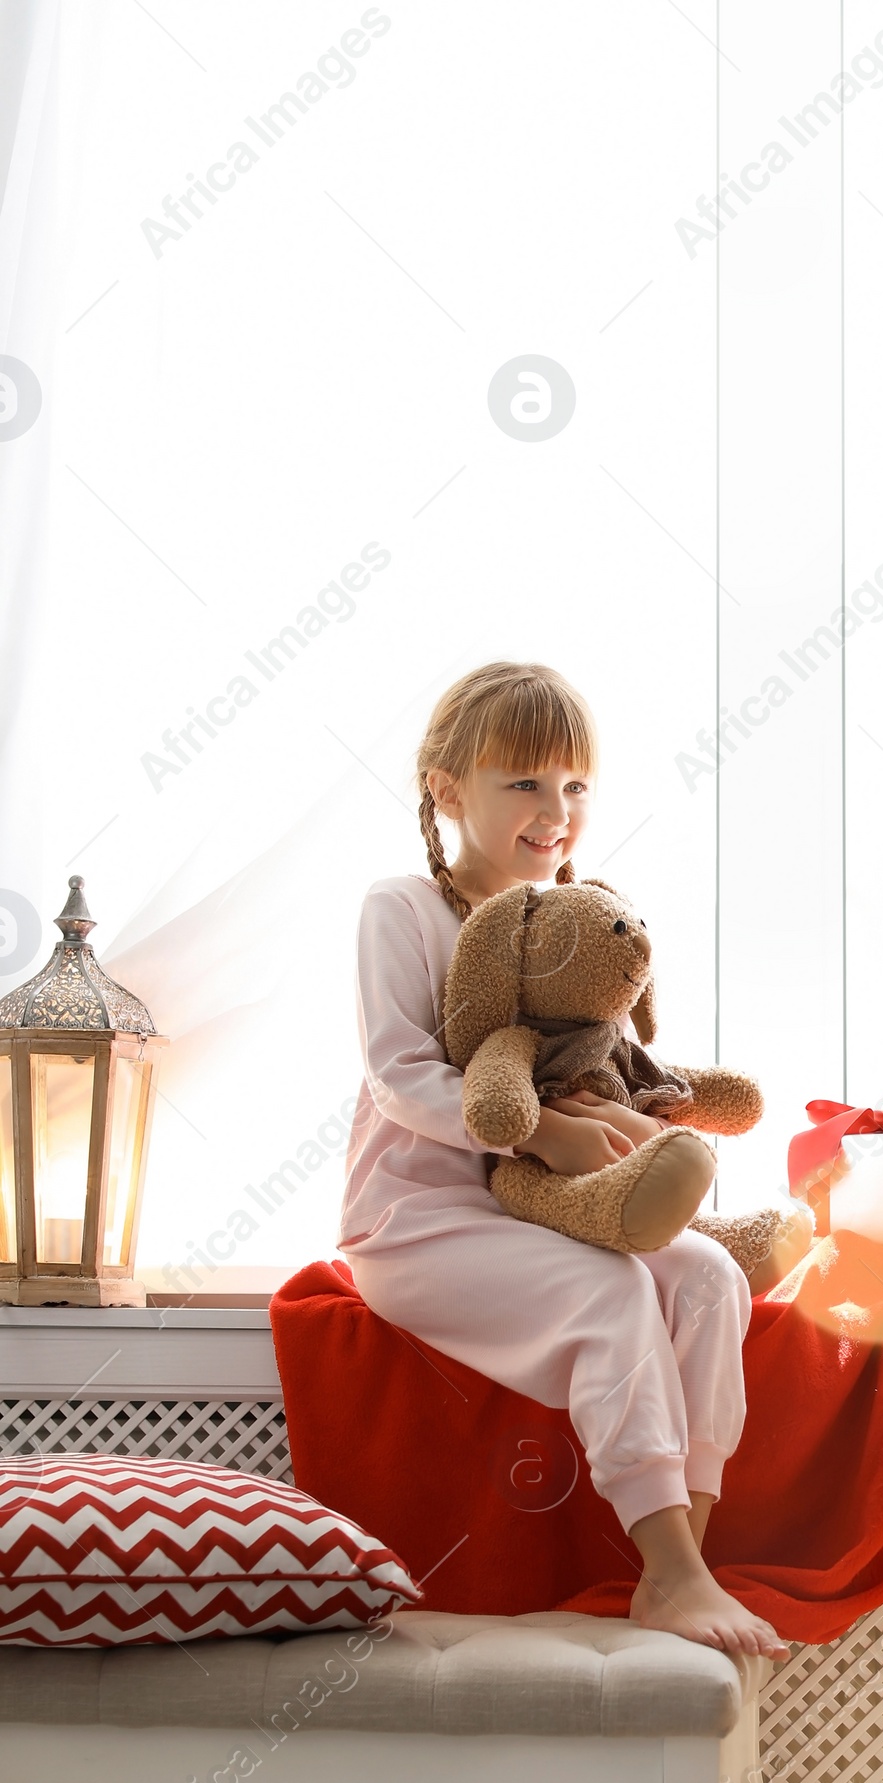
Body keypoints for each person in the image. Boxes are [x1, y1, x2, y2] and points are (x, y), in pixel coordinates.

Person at [340, 660, 787, 1660]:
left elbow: (610, 1064)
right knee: (609, 1293)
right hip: (420, 1221)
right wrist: (544, 1130)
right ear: (447, 789)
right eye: (526, 784)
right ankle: (670, 1568)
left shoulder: (577, 922)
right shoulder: (403, 908)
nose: (558, 811)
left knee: (710, 1277)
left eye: (575, 786)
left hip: (540, 1208)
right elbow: (398, 1075)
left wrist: (640, 1110)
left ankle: (682, 1568)